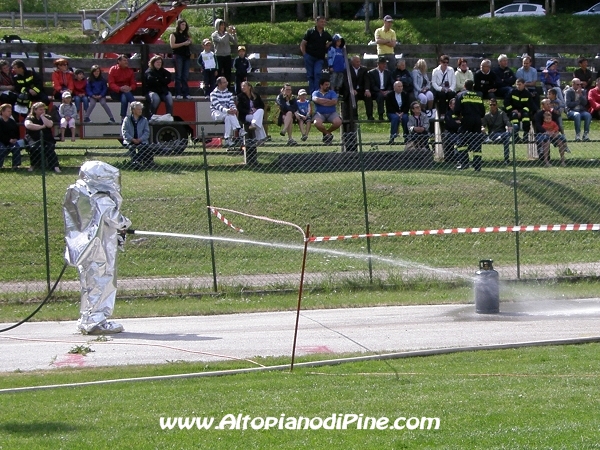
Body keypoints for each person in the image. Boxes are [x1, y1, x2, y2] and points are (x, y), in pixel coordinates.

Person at [63, 160, 132, 335]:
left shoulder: (79, 193)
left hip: (85, 248)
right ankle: (96, 321)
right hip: (101, 248)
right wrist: (126, 223)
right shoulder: (101, 199)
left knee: (88, 283)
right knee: (102, 281)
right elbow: (115, 219)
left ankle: (87, 318)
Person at [454, 80, 485, 171]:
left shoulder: (460, 95)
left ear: (464, 86)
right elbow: (483, 112)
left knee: (462, 142)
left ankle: (464, 163)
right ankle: (477, 166)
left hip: (466, 120)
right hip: (477, 121)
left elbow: (456, 110)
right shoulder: (479, 95)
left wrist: (459, 117)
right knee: (476, 142)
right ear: (473, 86)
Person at [300, 16, 332, 96]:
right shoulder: (310, 32)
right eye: (321, 22)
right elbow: (303, 43)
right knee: (310, 75)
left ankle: (317, 93)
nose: (323, 23)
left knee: (317, 74)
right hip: (310, 56)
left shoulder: (325, 34)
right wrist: (305, 54)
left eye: (324, 22)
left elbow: (332, 40)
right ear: (317, 22)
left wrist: (328, 44)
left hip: (320, 58)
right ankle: (312, 93)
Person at [24, 102, 60, 173]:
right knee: (34, 147)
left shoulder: (47, 117)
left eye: (43, 109)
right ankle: (33, 165)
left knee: (49, 148)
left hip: (47, 138)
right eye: (40, 109)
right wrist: (41, 127)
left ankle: (55, 166)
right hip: (33, 138)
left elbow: (49, 125)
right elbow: (28, 125)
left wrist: (42, 117)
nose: (43, 111)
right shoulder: (30, 117)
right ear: (35, 110)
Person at [210, 76, 244, 148]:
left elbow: (231, 103)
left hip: (227, 113)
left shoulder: (229, 93)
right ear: (219, 84)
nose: (227, 83)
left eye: (226, 82)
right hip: (216, 113)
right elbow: (217, 106)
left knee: (228, 117)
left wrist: (234, 109)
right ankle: (239, 129)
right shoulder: (213, 94)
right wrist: (227, 110)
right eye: (224, 82)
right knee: (228, 115)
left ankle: (227, 138)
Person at [534, 99, 568, 167]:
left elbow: (557, 125)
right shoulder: (538, 114)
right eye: (547, 104)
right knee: (547, 141)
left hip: (553, 133)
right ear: (542, 106)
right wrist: (546, 132)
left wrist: (555, 132)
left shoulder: (554, 114)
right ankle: (546, 161)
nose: (549, 105)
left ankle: (562, 160)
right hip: (542, 134)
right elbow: (538, 126)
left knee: (560, 141)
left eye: (550, 104)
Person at [121, 101, 153, 169]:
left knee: (143, 148)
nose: (140, 111)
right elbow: (124, 132)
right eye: (138, 109)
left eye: (141, 109)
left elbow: (147, 132)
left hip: (141, 141)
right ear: (133, 110)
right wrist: (132, 139)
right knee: (132, 148)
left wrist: (140, 139)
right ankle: (136, 163)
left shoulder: (144, 120)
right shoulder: (127, 119)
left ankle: (137, 163)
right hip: (130, 141)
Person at [482, 98, 512, 165]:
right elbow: (482, 125)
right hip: (493, 134)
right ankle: (506, 159)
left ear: (497, 105)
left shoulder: (502, 113)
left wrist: (508, 126)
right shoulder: (487, 115)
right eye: (490, 105)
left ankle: (506, 159)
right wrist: (482, 128)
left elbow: (507, 121)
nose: (492, 106)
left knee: (507, 136)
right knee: (506, 136)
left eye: (494, 104)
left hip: (502, 132)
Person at [312, 78, 342, 145]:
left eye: (328, 84)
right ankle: (328, 134)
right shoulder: (316, 93)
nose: (328, 86)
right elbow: (315, 100)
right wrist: (328, 101)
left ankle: (326, 133)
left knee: (338, 122)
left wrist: (322, 101)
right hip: (319, 113)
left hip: (331, 113)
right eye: (326, 85)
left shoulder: (332, 92)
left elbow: (334, 102)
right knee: (317, 123)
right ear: (321, 85)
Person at [343, 55, 373, 120]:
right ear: (352, 62)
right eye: (356, 62)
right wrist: (351, 89)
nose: (358, 63)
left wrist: (367, 89)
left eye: (359, 61)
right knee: (352, 97)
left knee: (368, 96)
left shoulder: (364, 70)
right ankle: (354, 116)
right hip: (352, 90)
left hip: (361, 90)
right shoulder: (347, 70)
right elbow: (346, 82)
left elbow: (367, 80)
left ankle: (370, 115)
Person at [108, 55, 136, 122]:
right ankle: (135, 106)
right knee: (125, 94)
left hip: (126, 92)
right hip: (115, 92)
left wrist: (130, 88)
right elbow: (111, 84)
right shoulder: (113, 69)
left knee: (124, 97)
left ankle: (123, 117)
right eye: (124, 60)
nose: (126, 62)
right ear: (119, 61)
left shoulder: (130, 71)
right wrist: (120, 88)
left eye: (127, 60)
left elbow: (133, 84)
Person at [170, 18, 192, 99]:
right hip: (178, 55)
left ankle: (186, 93)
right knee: (178, 75)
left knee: (185, 76)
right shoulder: (173, 34)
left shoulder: (186, 34)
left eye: (185, 25)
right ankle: (178, 93)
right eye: (182, 24)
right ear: (178, 25)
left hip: (186, 56)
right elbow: (172, 45)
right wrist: (184, 43)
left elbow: (190, 41)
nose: (184, 26)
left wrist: (189, 42)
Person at [212, 19, 237, 88]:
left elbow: (235, 42)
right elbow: (221, 41)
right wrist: (227, 34)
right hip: (219, 56)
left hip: (227, 56)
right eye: (221, 25)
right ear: (218, 26)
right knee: (218, 74)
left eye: (223, 25)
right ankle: (218, 89)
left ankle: (227, 89)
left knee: (228, 74)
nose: (223, 26)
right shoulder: (214, 35)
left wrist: (234, 34)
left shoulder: (226, 34)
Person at [505, 78, 532, 143]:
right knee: (514, 117)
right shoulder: (512, 92)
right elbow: (506, 102)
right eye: (517, 84)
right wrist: (512, 110)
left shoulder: (527, 94)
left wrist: (521, 112)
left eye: (520, 84)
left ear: (524, 84)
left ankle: (525, 136)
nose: (518, 86)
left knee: (526, 117)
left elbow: (529, 106)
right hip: (513, 111)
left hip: (523, 111)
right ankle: (516, 137)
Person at [367, 56, 393, 120]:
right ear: (378, 64)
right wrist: (379, 91)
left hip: (385, 90)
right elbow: (372, 85)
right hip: (376, 91)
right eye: (382, 63)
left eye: (385, 63)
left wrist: (388, 90)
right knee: (380, 96)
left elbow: (390, 83)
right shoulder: (371, 73)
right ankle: (380, 115)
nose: (384, 65)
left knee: (390, 96)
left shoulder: (388, 73)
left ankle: (390, 114)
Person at [0, 103, 24, 169]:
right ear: (2, 112)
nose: (10, 113)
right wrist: (8, 140)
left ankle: (15, 166)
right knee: (2, 149)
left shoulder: (12, 122)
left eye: (10, 111)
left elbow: (16, 133)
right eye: (8, 111)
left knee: (16, 147)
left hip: (11, 141)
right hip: (1, 141)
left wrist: (15, 139)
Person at [442, 97, 461, 164]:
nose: (456, 105)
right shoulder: (448, 114)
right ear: (450, 105)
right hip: (451, 134)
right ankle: (456, 158)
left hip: (460, 133)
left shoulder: (460, 113)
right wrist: (457, 123)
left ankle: (462, 159)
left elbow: (464, 124)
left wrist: (457, 123)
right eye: (454, 104)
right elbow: (451, 125)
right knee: (458, 141)